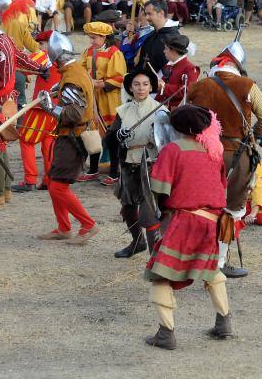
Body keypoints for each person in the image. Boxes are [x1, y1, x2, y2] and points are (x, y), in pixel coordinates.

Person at [144, 104, 232, 350]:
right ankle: (224, 322)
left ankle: (165, 334)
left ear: (176, 127)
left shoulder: (173, 150)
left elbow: (159, 188)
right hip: (212, 221)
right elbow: (221, 184)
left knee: (161, 275)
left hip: (185, 220)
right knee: (210, 268)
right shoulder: (214, 149)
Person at [187, 42, 262, 278]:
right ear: (238, 66)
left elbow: (185, 121)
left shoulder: (199, 86)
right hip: (237, 154)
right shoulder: (247, 85)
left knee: (202, 207)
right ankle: (219, 262)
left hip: (201, 154)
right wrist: (249, 137)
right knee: (231, 209)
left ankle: (194, 257)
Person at [0, 5, 47, 207]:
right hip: (8, 100)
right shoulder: (4, 40)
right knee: (1, 144)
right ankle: (5, 191)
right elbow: (21, 57)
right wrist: (40, 68)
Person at [36, 32, 99, 244]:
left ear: (58, 58)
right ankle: (64, 227)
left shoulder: (72, 78)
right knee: (55, 182)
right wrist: (58, 90)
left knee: (57, 186)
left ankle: (88, 224)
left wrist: (50, 108)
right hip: (71, 135)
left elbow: (74, 114)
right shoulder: (74, 71)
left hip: (74, 137)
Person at [107, 68, 166, 258]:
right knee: (128, 208)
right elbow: (108, 140)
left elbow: (169, 142)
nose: (141, 88)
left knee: (148, 214)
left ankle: (155, 259)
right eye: (136, 84)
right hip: (129, 164)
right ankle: (137, 242)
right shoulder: (123, 111)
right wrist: (117, 135)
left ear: (151, 87)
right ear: (130, 88)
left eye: (145, 84)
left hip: (150, 165)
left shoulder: (161, 110)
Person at [77, 22, 125, 183]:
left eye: (94, 38)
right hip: (92, 98)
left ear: (104, 37)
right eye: (90, 38)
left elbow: (119, 77)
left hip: (109, 99)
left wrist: (100, 84)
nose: (91, 41)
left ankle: (114, 171)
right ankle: (93, 169)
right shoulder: (89, 51)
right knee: (93, 134)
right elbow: (80, 69)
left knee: (111, 136)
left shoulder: (114, 53)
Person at [14, 31, 60, 192]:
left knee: (26, 140)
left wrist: (14, 51)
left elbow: (23, 66)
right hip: (57, 108)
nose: (38, 47)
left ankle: (30, 180)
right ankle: (49, 180)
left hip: (40, 107)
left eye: (41, 43)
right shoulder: (63, 58)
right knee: (48, 143)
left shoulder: (44, 56)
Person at [131, 0, 181, 74]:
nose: (147, 18)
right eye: (145, 14)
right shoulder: (152, 34)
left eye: (149, 14)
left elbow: (170, 70)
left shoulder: (172, 38)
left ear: (161, 13)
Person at [157, 34, 199, 110]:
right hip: (161, 108)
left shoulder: (190, 69)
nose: (164, 51)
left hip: (177, 112)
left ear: (173, 51)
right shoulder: (169, 65)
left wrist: (164, 87)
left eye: (166, 49)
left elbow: (186, 91)